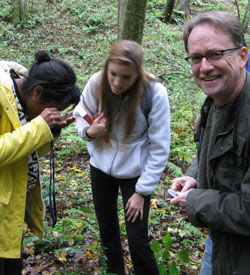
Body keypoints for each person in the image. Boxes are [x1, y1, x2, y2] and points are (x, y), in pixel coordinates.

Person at [74, 40, 170, 275]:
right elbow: (80, 113)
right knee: (107, 232)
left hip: (135, 175)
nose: (117, 82)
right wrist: (89, 132)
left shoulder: (154, 93)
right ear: (107, 67)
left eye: (126, 77)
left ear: (138, 74)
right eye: (113, 74)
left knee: (137, 239)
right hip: (100, 168)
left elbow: (159, 147)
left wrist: (142, 191)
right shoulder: (97, 82)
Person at [170, 10, 250, 274]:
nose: (204, 67)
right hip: (220, 243)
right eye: (196, 57)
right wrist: (195, 175)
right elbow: (215, 149)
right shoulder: (217, 102)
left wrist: (195, 201)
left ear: (242, 56)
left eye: (215, 54)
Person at [0, 50, 81, 275]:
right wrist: (38, 128)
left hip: (9, 212)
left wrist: (50, 130)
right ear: (37, 91)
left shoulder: (23, 98)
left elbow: (23, 153)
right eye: (52, 109)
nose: (51, 114)